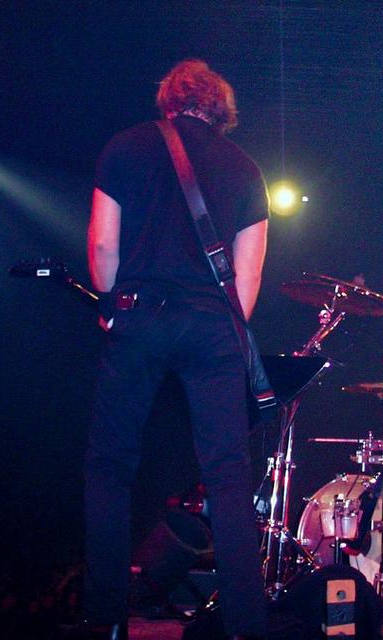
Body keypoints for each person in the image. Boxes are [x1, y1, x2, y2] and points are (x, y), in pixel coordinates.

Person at [84, 59, 269, 640]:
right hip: (212, 324)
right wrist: (224, 330)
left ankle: (107, 619)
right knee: (228, 476)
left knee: (111, 467)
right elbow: (248, 276)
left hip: (140, 312)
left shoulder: (125, 146)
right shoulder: (247, 168)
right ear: (222, 109)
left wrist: (111, 306)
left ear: (169, 99)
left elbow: (103, 243)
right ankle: (245, 626)